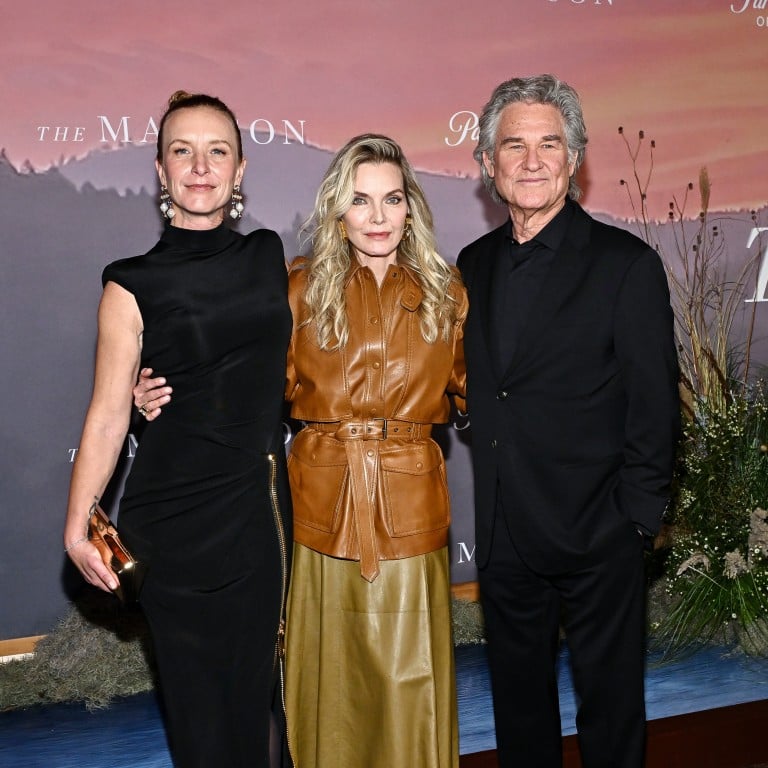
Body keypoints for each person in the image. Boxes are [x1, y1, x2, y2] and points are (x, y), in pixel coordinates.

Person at [135, 134, 467, 768]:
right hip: (319, 517)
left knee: (411, 688)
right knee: (327, 693)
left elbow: (492, 388)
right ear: (338, 211)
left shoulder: (448, 292)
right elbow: (237, 378)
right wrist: (151, 392)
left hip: (413, 516)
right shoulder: (298, 290)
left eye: (392, 199)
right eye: (359, 200)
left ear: (411, 208)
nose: (377, 216)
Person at [456, 75, 680, 768]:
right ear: (488, 162)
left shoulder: (625, 265)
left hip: (598, 535)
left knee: (610, 718)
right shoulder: (472, 265)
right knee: (521, 718)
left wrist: (635, 521)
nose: (531, 161)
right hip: (504, 537)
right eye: (513, 145)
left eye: (548, 144)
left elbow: (656, 406)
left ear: (574, 157)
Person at [64, 91, 292, 768]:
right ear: (161, 169)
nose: (200, 166)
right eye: (182, 151)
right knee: (200, 722)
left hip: (255, 520)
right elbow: (107, 412)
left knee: (262, 706)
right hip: (172, 527)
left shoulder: (268, 255)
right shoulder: (129, 284)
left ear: (240, 169)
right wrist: (77, 526)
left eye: (217, 151)